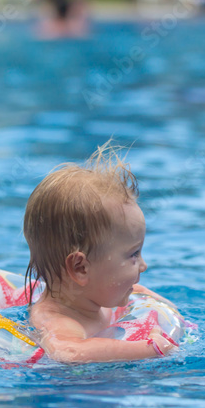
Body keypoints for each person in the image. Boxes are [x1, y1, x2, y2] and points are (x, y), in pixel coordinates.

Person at [23, 144, 178, 363]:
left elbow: (140, 295)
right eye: (133, 254)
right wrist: (151, 349)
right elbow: (68, 352)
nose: (143, 265)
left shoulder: (90, 302)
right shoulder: (58, 322)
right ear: (80, 268)